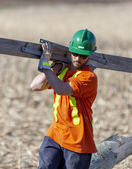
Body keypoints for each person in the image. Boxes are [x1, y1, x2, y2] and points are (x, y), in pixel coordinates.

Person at [30, 29, 98, 169]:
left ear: (91, 55)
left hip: (77, 140)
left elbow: (61, 89)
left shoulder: (88, 78)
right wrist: (55, 67)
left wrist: (45, 65)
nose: (78, 58)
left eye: (83, 56)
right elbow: (36, 85)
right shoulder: (63, 70)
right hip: (56, 134)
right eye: (75, 54)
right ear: (70, 51)